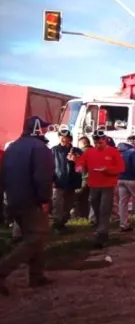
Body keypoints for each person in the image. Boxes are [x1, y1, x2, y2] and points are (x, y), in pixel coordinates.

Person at [0, 116, 55, 296]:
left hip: (13, 198)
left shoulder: (12, 147)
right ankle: (3, 271)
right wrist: (45, 199)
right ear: (38, 129)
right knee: (36, 238)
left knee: (33, 236)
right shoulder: (40, 149)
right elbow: (42, 177)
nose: (47, 131)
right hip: (31, 199)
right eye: (45, 128)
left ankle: (37, 276)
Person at [72, 130, 125, 248]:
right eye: (96, 143)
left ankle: (102, 235)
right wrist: (79, 166)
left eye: (100, 143)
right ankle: (99, 228)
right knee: (96, 209)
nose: (98, 145)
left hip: (108, 186)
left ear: (105, 140)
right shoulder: (89, 152)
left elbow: (120, 168)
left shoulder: (113, 152)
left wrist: (108, 169)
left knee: (104, 209)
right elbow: (81, 162)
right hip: (94, 185)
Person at [51, 130, 83, 233]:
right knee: (57, 204)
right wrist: (51, 179)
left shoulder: (77, 151)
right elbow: (49, 166)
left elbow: (82, 167)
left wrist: (76, 161)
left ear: (70, 138)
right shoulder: (54, 150)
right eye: (61, 137)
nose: (64, 139)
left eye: (66, 137)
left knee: (68, 204)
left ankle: (63, 224)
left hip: (72, 181)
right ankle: (56, 224)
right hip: (59, 181)